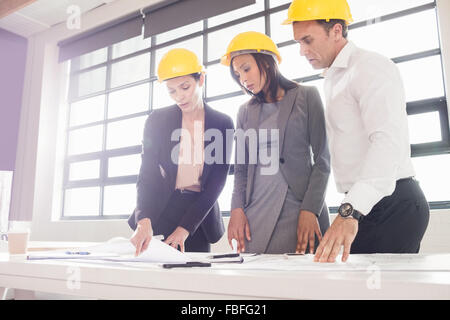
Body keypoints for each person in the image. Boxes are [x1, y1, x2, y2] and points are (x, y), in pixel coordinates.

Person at [284, 0, 430, 262]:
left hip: (392, 202)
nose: (302, 51)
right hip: (365, 204)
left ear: (337, 31)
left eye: (308, 40)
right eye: (299, 43)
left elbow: (387, 142)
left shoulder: (369, 67)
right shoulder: (334, 78)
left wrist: (350, 211)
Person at [223, 31, 330, 254]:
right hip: (256, 213)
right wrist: (236, 210)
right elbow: (241, 169)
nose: (243, 79)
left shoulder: (307, 96)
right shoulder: (244, 111)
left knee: (304, 283)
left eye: (246, 69)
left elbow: (323, 160)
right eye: (237, 75)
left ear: (267, 62)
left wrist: (311, 210)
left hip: (299, 210)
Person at [128, 48, 234, 255]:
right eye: (172, 90)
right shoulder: (156, 120)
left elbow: (217, 183)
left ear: (201, 79)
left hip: (198, 217)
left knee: (195, 280)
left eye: (185, 87)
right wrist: (144, 219)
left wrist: (184, 230)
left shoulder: (223, 123)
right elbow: (147, 173)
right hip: (161, 211)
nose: (179, 96)